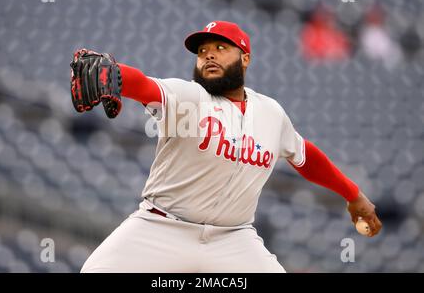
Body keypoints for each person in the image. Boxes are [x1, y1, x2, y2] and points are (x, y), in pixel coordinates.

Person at [73, 21, 382, 273]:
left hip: (233, 239)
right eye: (202, 51)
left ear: (244, 58)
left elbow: (304, 156)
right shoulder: (189, 97)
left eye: (221, 48)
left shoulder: (271, 112)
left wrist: (353, 194)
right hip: (161, 227)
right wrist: (111, 74)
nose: (209, 55)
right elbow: (142, 85)